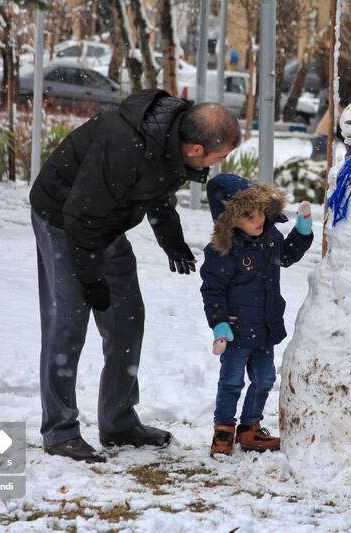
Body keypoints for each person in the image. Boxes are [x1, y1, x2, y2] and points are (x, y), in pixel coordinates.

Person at [30, 89, 240, 463]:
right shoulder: (125, 147)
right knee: (69, 323)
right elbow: (81, 217)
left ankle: (118, 421)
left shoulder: (170, 139)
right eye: (219, 156)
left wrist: (171, 240)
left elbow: (157, 189)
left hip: (103, 222)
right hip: (64, 219)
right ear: (196, 148)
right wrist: (92, 280)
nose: (219, 163)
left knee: (127, 318)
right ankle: (59, 431)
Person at [199, 173, 314, 456]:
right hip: (237, 332)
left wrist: (301, 230)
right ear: (230, 220)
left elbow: (287, 256)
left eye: (261, 210)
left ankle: (250, 428)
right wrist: (220, 324)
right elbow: (212, 290)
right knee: (232, 381)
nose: (258, 218)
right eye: (248, 214)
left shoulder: (271, 239)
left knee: (264, 379)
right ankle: (223, 430)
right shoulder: (223, 252)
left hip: (265, 327)